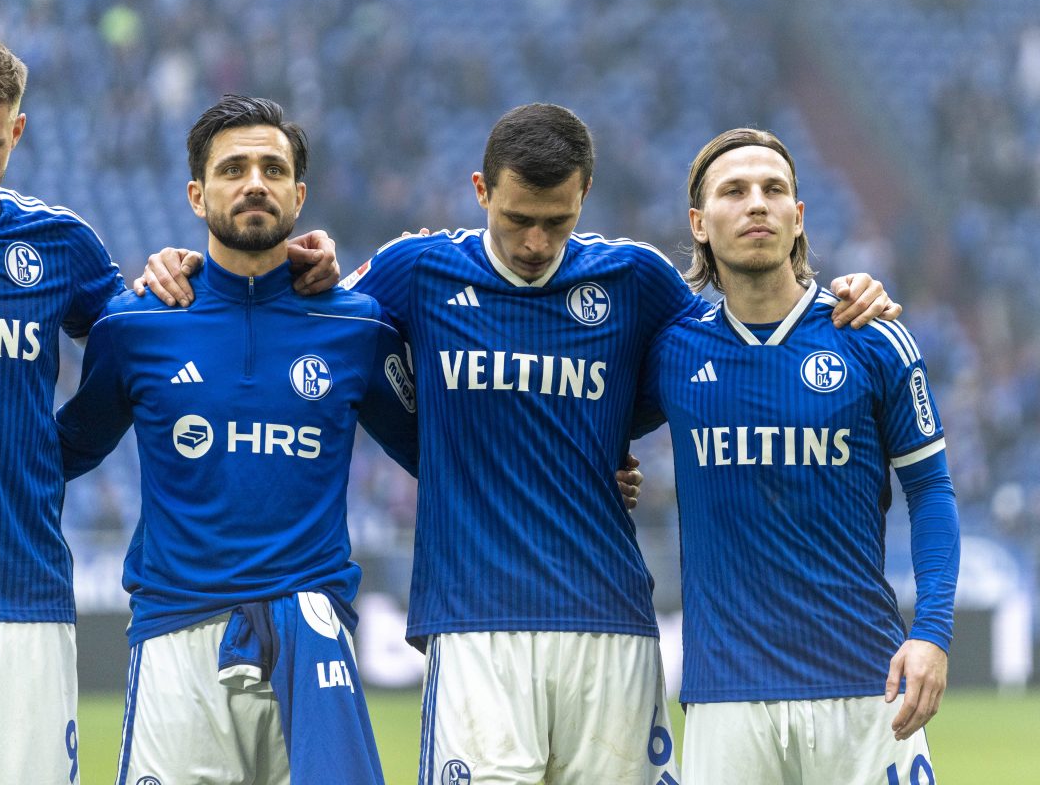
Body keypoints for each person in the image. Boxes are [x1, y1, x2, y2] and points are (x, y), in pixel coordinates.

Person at [140, 103, 899, 784]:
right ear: (481, 192)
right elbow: (310, 318)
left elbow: (735, 348)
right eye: (516, 219)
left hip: (612, 628)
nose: (536, 242)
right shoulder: (416, 270)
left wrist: (839, 297)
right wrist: (183, 267)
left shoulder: (635, 278)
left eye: (557, 222)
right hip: (476, 628)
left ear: (584, 199)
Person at [0, 33, 336, 785]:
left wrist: (203, 268)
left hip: (27, 603)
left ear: (18, 131)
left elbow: (149, 342)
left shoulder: (60, 246)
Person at [56, 95, 418, 785]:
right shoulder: (134, 326)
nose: (254, 181)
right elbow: (66, 451)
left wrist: (588, 468)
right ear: (198, 194)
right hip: (176, 635)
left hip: (310, 628)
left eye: (272, 168)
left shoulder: (360, 328)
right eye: (233, 169)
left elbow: (445, 453)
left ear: (298, 193)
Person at [635, 128, 958, 784]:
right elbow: (584, 428)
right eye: (735, 191)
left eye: (774, 189)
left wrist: (932, 632)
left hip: (866, 688)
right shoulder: (669, 350)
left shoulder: (869, 336)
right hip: (726, 701)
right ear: (699, 223)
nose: (757, 203)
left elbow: (931, 493)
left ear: (799, 215)